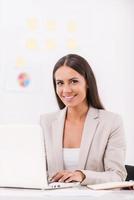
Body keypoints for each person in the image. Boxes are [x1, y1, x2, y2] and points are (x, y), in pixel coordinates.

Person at [40, 54, 127, 185]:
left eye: (73, 81)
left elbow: (117, 175)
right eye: (60, 83)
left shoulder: (111, 122)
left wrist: (82, 175)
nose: (66, 90)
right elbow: (37, 172)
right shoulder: (45, 122)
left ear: (87, 82)